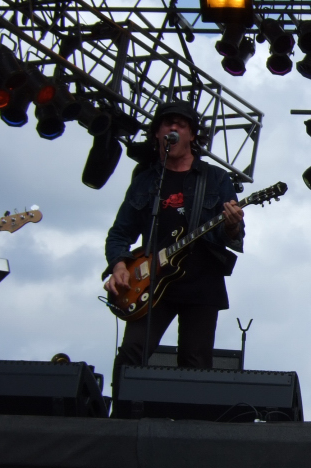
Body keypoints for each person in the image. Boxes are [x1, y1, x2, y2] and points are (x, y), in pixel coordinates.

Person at [104, 100, 244, 394]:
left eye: (181, 125)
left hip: (201, 282)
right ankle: (120, 416)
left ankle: (188, 422)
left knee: (195, 364)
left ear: (192, 134)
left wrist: (232, 225)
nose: (174, 128)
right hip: (151, 280)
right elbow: (119, 232)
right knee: (131, 353)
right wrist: (118, 265)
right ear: (157, 133)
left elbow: (232, 235)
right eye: (168, 123)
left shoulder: (215, 178)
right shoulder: (146, 180)